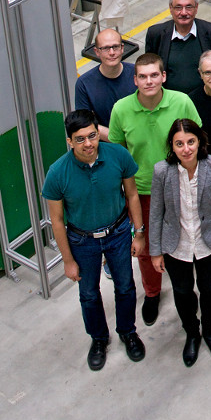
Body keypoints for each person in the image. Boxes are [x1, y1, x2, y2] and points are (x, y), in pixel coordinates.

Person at [43, 109, 146, 371]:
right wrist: (68, 261)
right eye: (80, 139)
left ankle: (128, 332)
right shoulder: (57, 173)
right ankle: (99, 339)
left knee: (125, 286)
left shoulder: (118, 156)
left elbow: (132, 195)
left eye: (92, 136)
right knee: (88, 294)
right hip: (82, 240)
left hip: (119, 232)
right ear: (69, 142)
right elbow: (56, 220)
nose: (88, 144)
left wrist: (139, 233)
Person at [108, 53, 201, 327]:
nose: (148, 81)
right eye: (142, 76)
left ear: (164, 76)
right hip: (142, 192)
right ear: (134, 79)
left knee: (187, 236)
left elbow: (197, 142)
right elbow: (117, 153)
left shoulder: (181, 102)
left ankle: (186, 285)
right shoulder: (120, 110)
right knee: (147, 246)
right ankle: (152, 292)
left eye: (154, 75)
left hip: (181, 185)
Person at [149, 119, 211, 366]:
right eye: (179, 144)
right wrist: (155, 252)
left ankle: (209, 330)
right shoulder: (161, 171)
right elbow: (156, 214)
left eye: (190, 142)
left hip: (207, 241)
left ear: (199, 142)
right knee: (183, 291)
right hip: (176, 245)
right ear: (172, 147)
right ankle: (192, 333)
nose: (186, 149)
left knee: (209, 288)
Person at [144, 0, 211, 97]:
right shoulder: (155, 34)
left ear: (196, 8)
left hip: (205, 102)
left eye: (189, 7)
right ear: (170, 9)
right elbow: (149, 71)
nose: (183, 12)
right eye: (178, 7)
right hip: (169, 103)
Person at [74, 28, 135, 140]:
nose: (112, 53)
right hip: (107, 146)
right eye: (106, 48)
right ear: (97, 52)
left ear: (122, 48)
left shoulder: (138, 74)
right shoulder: (84, 83)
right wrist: (119, 139)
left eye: (115, 47)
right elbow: (85, 123)